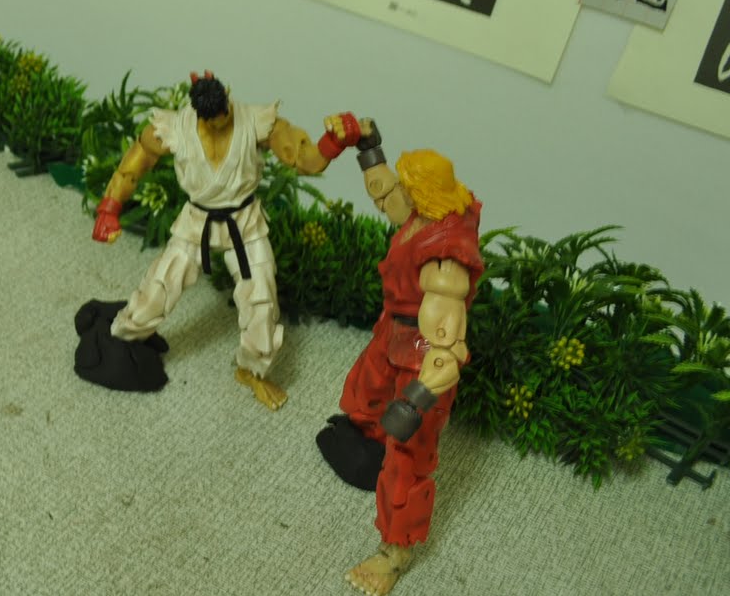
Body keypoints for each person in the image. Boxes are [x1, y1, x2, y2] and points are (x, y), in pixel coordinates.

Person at [74, 71, 364, 409]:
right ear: (198, 113)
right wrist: (109, 208)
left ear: (227, 96)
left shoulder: (258, 122)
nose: (220, 122)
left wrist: (334, 142)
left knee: (261, 299)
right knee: (160, 287)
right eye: (212, 119)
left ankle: (252, 370)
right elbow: (134, 165)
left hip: (245, 223)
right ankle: (123, 337)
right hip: (196, 222)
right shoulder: (174, 128)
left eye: (224, 114)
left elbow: (305, 160)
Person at [316, 142, 482, 596]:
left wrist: (417, 400)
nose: (397, 191)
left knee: (408, 452)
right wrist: (368, 147)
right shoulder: (422, 213)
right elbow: (387, 194)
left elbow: (447, 348)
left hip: (424, 353)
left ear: (423, 194)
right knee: (363, 395)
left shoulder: (445, 263)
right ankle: (370, 446)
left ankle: (393, 553)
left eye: (407, 185)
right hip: (393, 330)